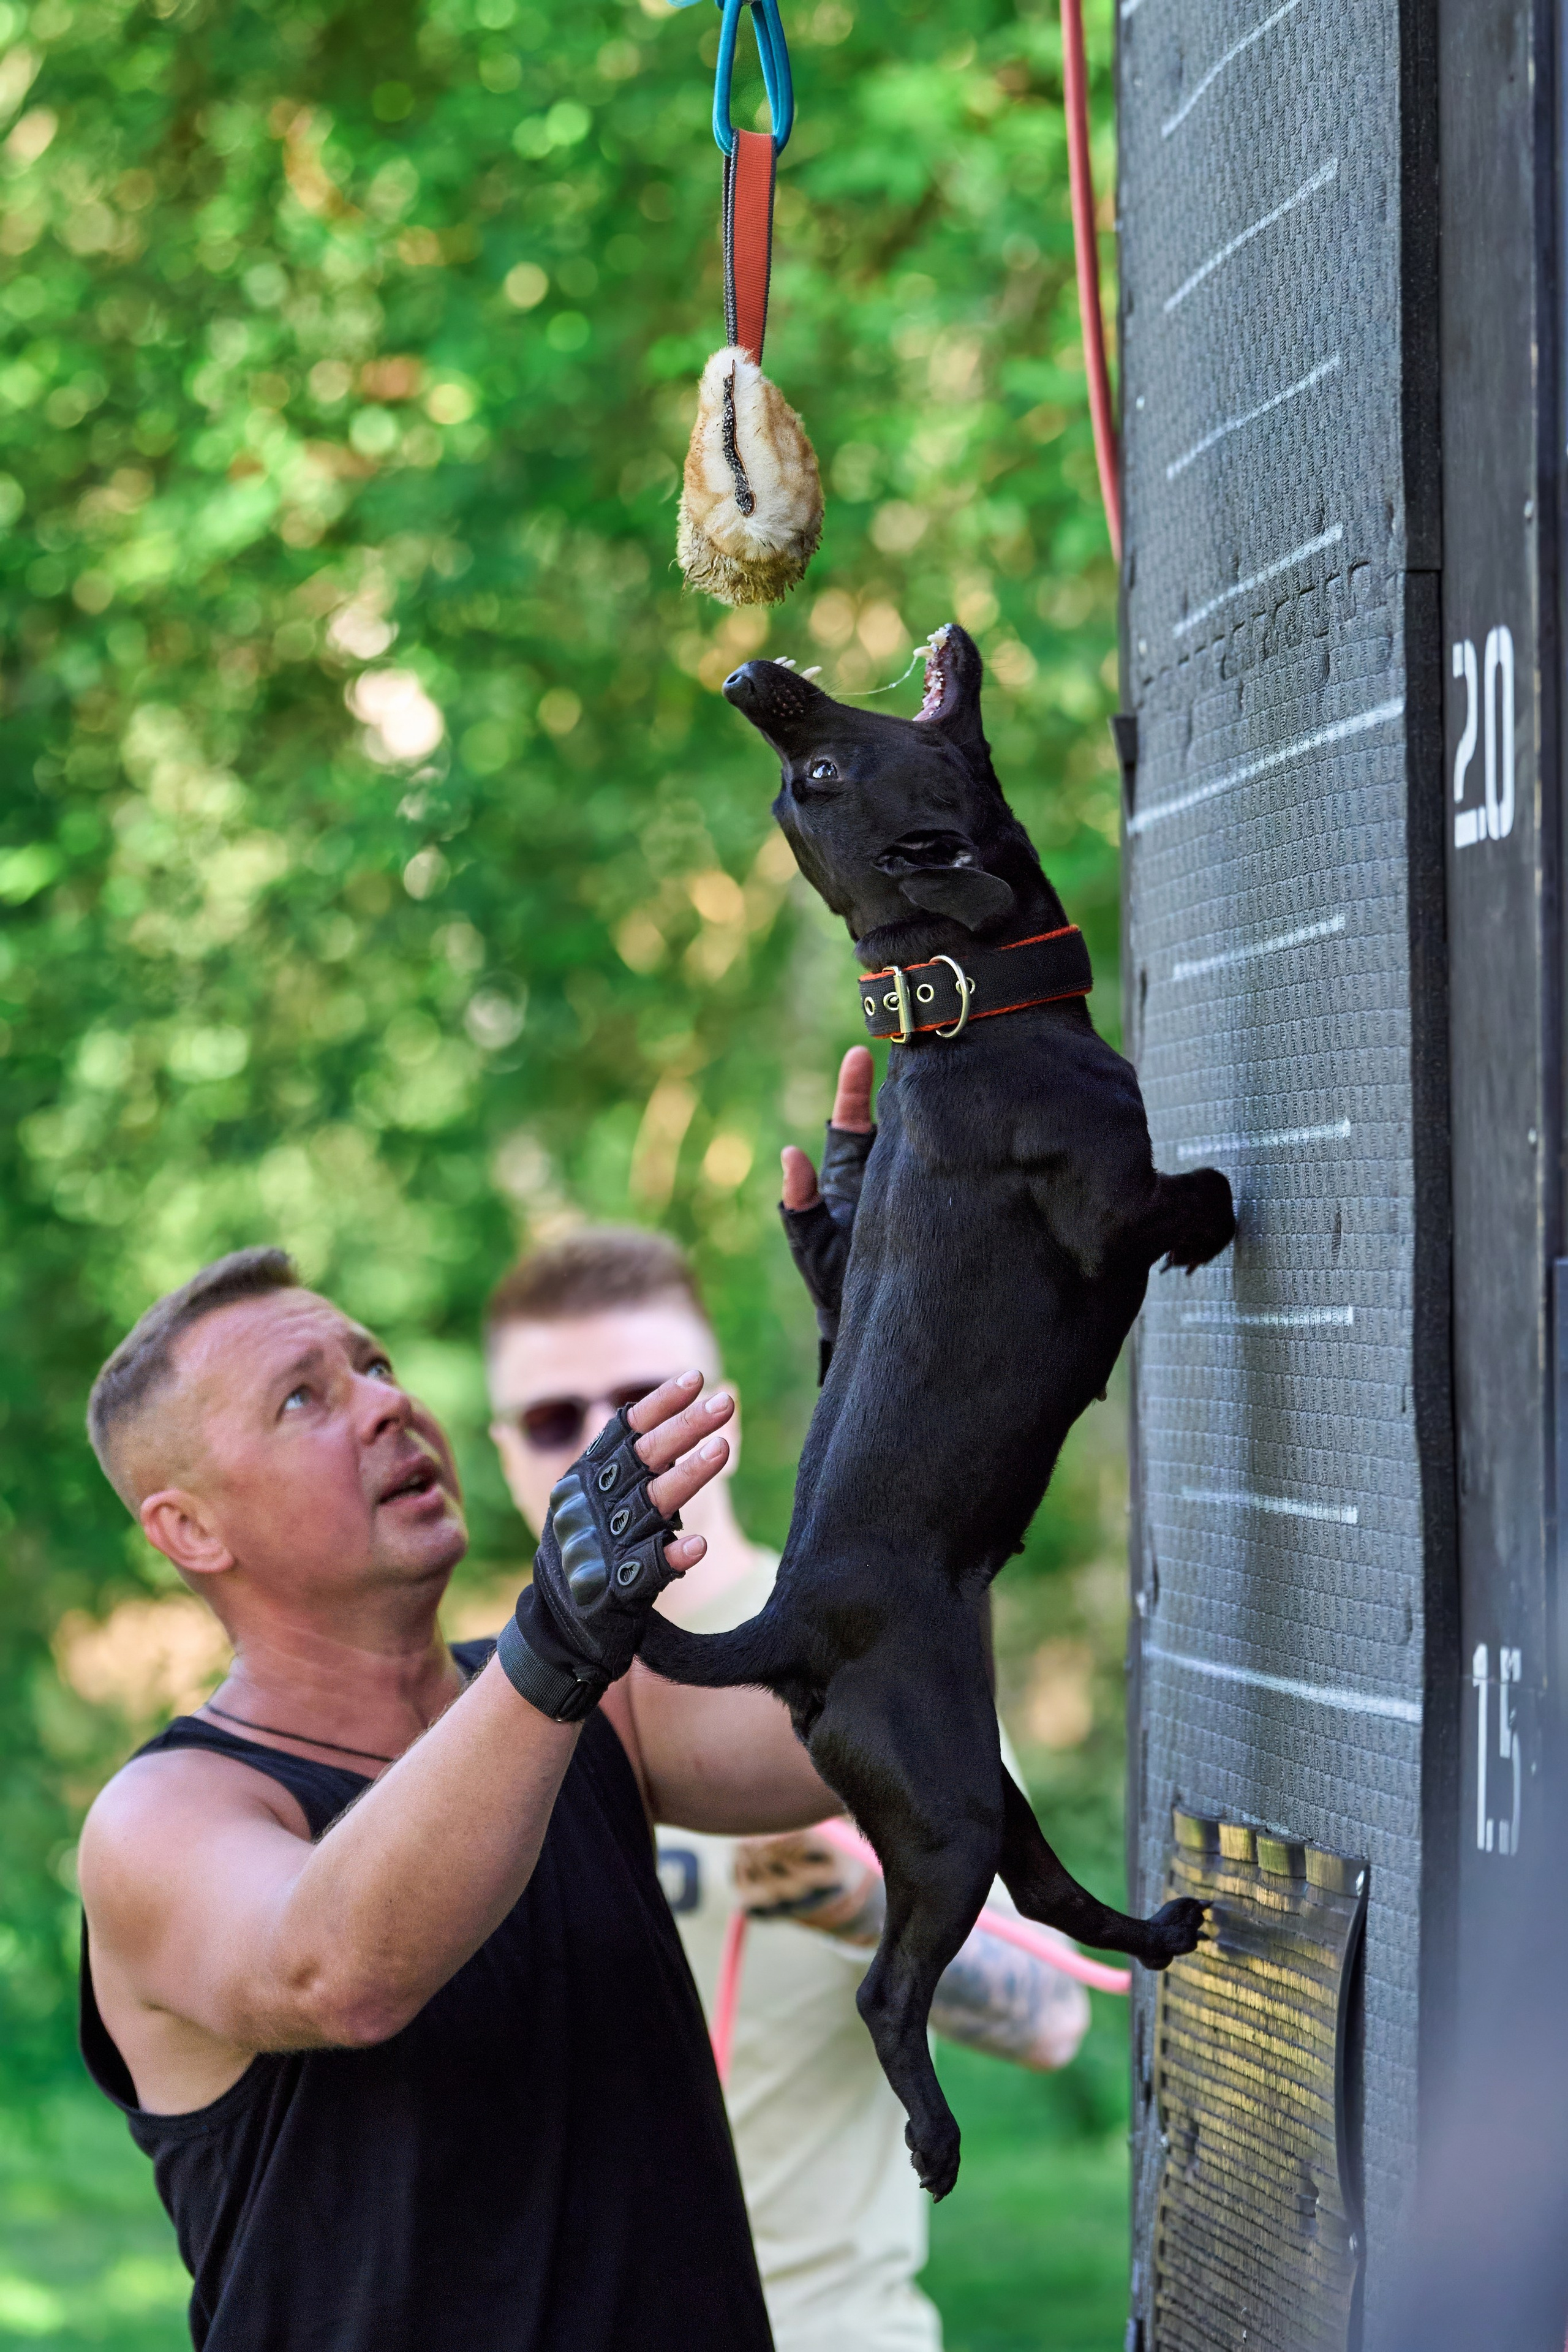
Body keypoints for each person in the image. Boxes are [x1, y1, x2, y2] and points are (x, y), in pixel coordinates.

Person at [74, 1244, 845, 2352]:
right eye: (305, 1398)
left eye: (377, 1363)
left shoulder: (601, 1707)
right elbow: (337, 1970)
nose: (389, 1405)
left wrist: (892, 1344)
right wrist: (556, 1641)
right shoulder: (160, 1820)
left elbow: (879, 1718)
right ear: (190, 1529)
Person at [486, 1080, 1092, 2352]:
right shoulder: (468, 1714)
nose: (604, 1444)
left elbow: (1050, 2016)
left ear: (718, 1400)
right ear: (500, 1449)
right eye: (553, 1417)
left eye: (643, 1394)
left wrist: (859, 1897)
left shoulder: (883, 1645)